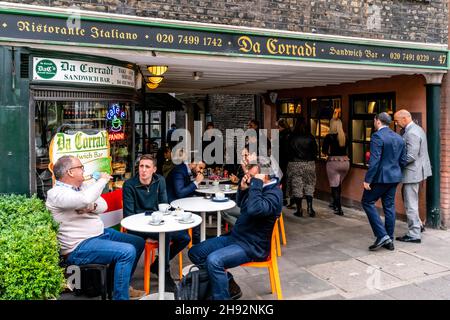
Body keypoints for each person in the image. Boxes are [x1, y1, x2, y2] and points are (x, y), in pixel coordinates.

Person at [46, 155, 145, 300]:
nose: (83, 170)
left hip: (98, 235)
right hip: (78, 247)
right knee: (127, 251)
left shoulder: (83, 187)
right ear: (70, 172)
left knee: (137, 242)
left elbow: (103, 206)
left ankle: (118, 287)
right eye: (80, 167)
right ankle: (120, 297)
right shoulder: (56, 194)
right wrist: (103, 180)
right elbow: (85, 199)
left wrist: (91, 207)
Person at [188, 156, 282, 300]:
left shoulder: (274, 194)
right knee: (195, 252)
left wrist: (255, 183)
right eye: (250, 176)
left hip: (252, 246)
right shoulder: (258, 187)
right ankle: (227, 282)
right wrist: (243, 189)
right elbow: (243, 207)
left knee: (214, 261)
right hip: (236, 238)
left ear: (266, 175)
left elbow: (254, 210)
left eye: (253, 175)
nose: (250, 178)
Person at [122, 154, 190, 292]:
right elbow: (129, 215)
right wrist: (152, 218)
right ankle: (164, 272)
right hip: (137, 226)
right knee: (165, 235)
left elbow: (163, 205)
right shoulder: (129, 185)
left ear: (154, 169)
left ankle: (158, 265)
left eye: (147, 166)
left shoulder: (160, 180)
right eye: (141, 166)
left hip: (158, 222)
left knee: (185, 238)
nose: (143, 170)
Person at [362, 112, 407, 251]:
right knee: (389, 207)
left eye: (374, 120)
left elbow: (374, 161)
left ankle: (382, 235)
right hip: (394, 178)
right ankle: (389, 240)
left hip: (380, 178)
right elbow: (403, 161)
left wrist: (367, 179)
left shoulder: (377, 136)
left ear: (378, 121)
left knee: (367, 202)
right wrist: (395, 171)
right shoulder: (399, 138)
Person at [394, 109, 431, 243]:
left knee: (411, 203)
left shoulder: (412, 133)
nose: (397, 124)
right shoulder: (417, 129)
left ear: (404, 119)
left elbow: (411, 156)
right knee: (410, 199)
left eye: (397, 121)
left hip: (412, 173)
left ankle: (414, 234)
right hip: (415, 172)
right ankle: (418, 225)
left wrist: (395, 162)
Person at [166, 159, 206, 244]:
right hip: (172, 204)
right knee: (197, 208)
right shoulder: (179, 170)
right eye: (200, 167)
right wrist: (196, 182)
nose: (201, 171)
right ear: (194, 162)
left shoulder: (186, 169)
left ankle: (197, 236)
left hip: (180, 200)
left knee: (199, 202)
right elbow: (180, 192)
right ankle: (196, 238)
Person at [286, 116, 318, 217]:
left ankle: (299, 210)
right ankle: (310, 208)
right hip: (309, 164)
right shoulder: (311, 137)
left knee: (297, 187)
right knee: (309, 185)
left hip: (295, 164)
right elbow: (315, 152)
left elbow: (287, 151)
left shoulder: (291, 137)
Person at [322, 118, 350, 216]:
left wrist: (328, 153)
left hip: (333, 162)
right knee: (338, 184)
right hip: (345, 162)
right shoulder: (345, 136)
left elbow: (324, 151)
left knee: (334, 186)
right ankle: (334, 203)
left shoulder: (329, 136)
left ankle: (339, 208)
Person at [275, 119, 291, 206]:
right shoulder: (291, 134)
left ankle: (282, 197)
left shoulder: (280, 135)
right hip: (290, 159)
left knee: (281, 178)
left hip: (281, 159)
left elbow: (277, 148)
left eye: (277, 127)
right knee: (287, 179)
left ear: (280, 127)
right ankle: (287, 198)